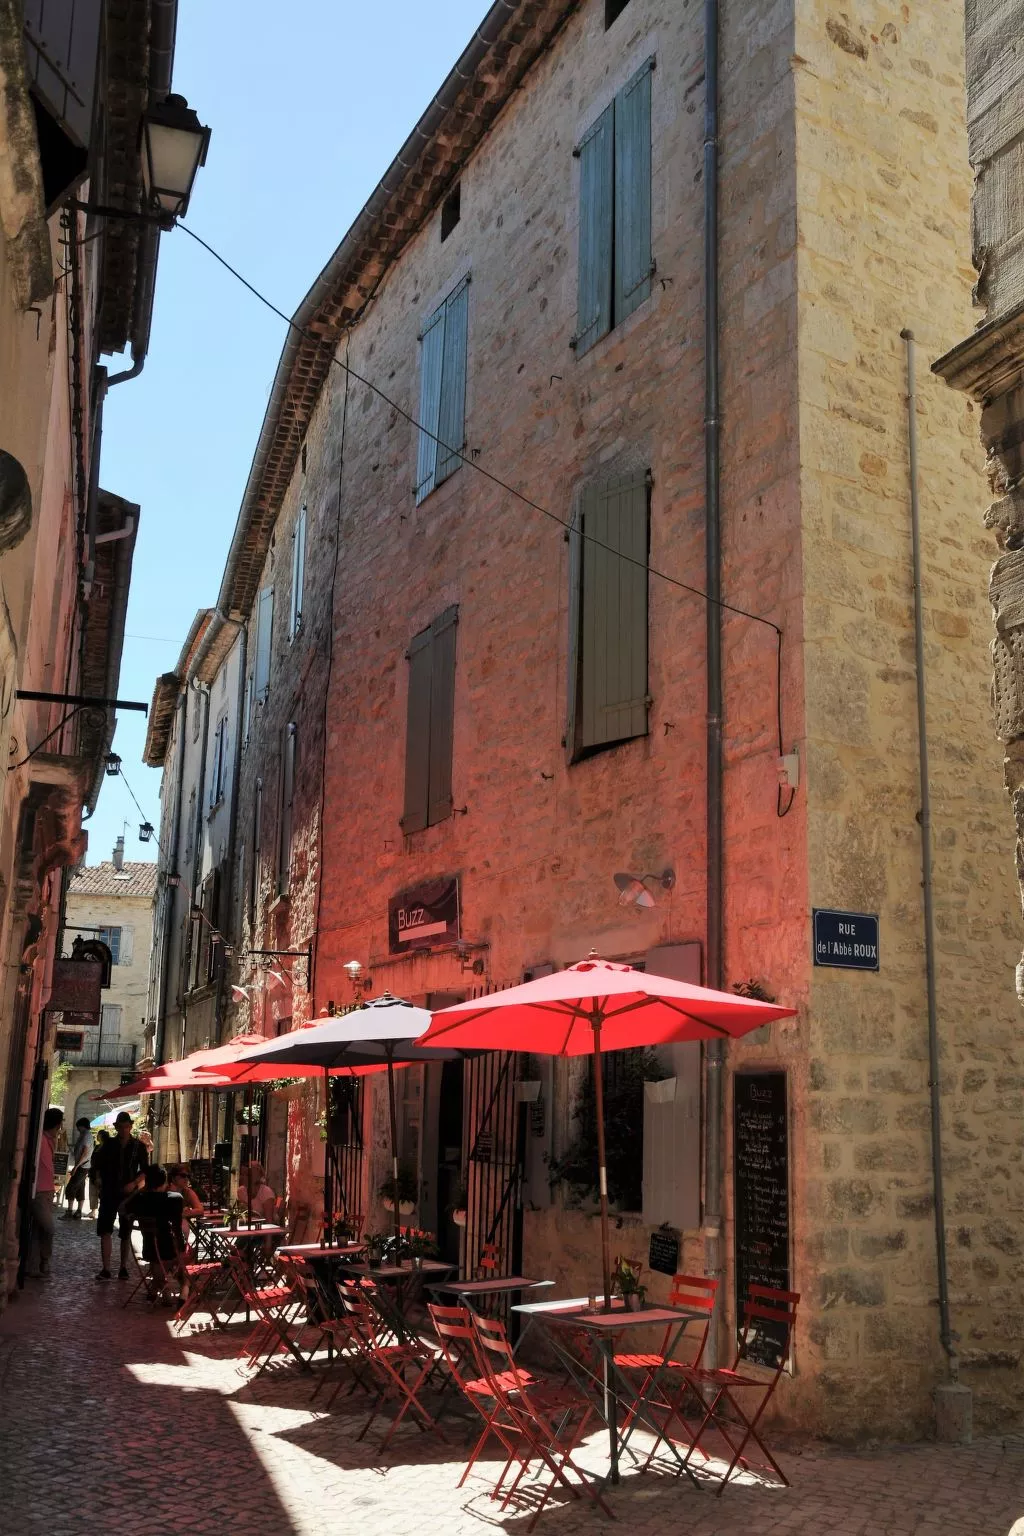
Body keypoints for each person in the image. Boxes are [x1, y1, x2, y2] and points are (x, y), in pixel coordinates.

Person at [92, 1110, 148, 1280]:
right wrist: (99, 1180)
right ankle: (106, 1268)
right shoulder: (108, 1145)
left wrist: (134, 1183)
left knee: (126, 1231)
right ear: (116, 1127)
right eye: (121, 1127)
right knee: (105, 1230)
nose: (124, 1130)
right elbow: (97, 1166)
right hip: (109, 1191)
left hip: (128, 1195)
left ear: (130, 1127)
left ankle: (123, 1267)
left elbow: (145, 1170)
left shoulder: (138, 1147)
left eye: (126, 1127)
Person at [119, 1165, 185, 1303]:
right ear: (165, 1181)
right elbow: (177, 1228)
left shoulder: (140, 1199)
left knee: (157, 1259)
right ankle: (176, 1289)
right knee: (186, 1255)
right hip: (169, 1250)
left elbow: (122, 1208)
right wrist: (181, 1248)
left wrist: (141, 1190)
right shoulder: (175, 1198)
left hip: (148, 1249)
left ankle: (157, 1287)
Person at [26, 1107, 63, 1277]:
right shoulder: (40, 1139)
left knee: (38, 1230)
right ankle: (44, 1260)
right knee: (49, 1228)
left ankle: (33, 1267)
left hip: (47, 1191)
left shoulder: (49, 1140)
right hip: (39, 1191)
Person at [62, 1117, 93, 1218]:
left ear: (82, 1126)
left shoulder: (86, 1136)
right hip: (83, 1165)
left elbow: (85, 1152)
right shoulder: (84, 1135)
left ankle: (69, 1211)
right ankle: (78, 1212)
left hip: (82, 1166)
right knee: (80, 1188)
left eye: (78, 1127)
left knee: (71, 1187)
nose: (77, 1129)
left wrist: (76, 1166)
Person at [88, 1128, 109, 1217]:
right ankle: (93, 1211)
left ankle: (102, 1211)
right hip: (93, 1173)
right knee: (93, 1193)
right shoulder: (97, 1146)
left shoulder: (107, 1148)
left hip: (102, 1175)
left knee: (102, 1193)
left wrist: (98, 1176)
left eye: (98, 1135)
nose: (97, 1137)